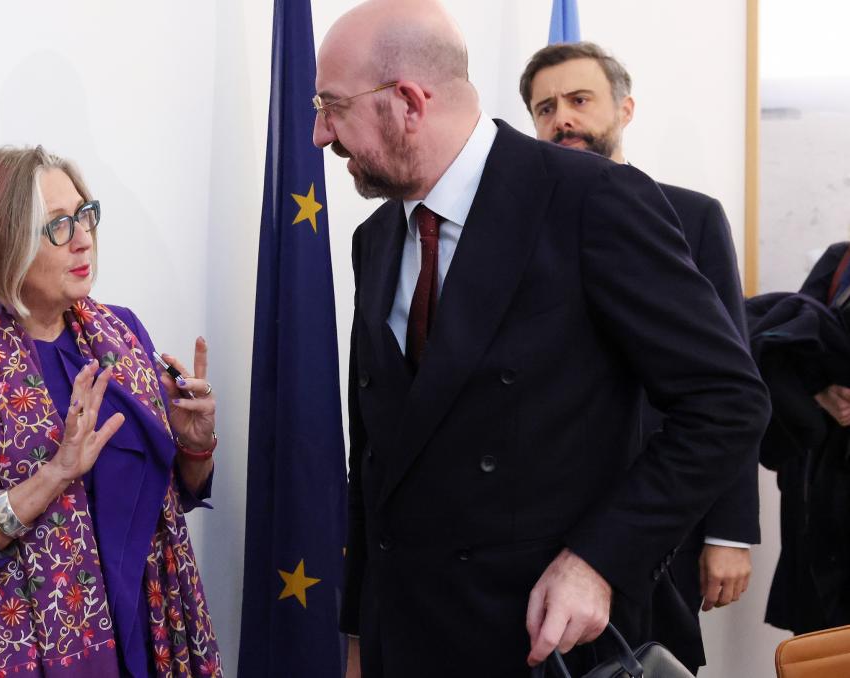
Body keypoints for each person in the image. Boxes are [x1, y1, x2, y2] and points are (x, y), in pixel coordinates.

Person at [313, 1, 770, 675]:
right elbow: (378, 457)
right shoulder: (374, 238)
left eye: (332, 105)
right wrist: (358, 635)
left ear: (408, 101)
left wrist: (601, 559)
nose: (322, 133)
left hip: (545, 641)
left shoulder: (591, 199)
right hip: (407, 640)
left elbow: (727, 401)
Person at [0, 146, 222, 677]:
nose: (84, 238)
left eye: (85, 215)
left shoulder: (122, 336)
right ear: (1, 246)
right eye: (57, 226)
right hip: (18, 648)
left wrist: (194, 444)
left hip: (146, 633)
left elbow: (162, 499)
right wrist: (53, 477)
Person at [519, 41, 757, 672]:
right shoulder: (518, 230)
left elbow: (731, 383)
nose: (561, 117)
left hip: (663, 504)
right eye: (545, 108)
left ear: (624, 108)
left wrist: (728, 533)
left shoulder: (692, 215)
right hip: (550, 521)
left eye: (579, 99)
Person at [750, 241, 850, 635]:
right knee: (819, 642)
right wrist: (822, 392)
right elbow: (789, 345)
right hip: (823, 489)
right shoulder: (841, 260)